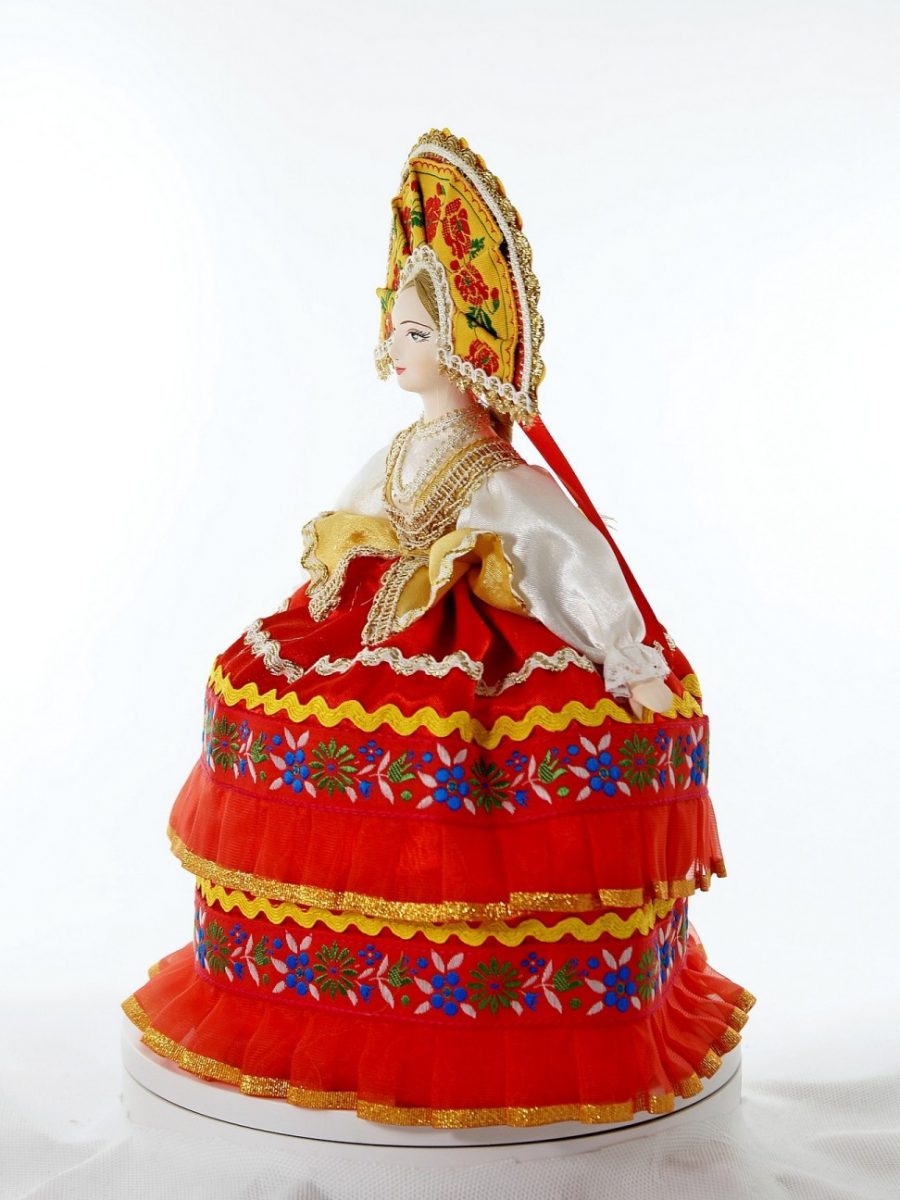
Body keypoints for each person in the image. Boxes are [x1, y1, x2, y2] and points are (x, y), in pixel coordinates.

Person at [122, 127, 754, 1128]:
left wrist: (624, 655)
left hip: (475, 637)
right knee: (268, 698)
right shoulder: (398, 453)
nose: (394, 349)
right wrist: (330, 587)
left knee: (476, 748)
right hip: (376, 620)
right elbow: (351, 515)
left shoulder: (499, 477)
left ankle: (488, 988)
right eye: (396, 328)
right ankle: (319, 967)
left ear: (464, 349)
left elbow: (566, 553)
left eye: (415, 333)